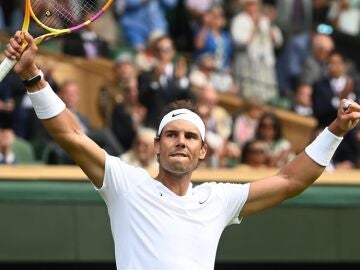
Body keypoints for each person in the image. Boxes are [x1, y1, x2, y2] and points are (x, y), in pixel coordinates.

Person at [5, 31, 360, 270]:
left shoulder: (218, 200)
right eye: (171, 134)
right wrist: (33, 74)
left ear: (203, 151)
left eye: (190, 137)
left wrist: (336, 131)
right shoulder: (127, 185)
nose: (181, 141)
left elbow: (289, 180)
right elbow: (71, 136)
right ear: (157, 147)